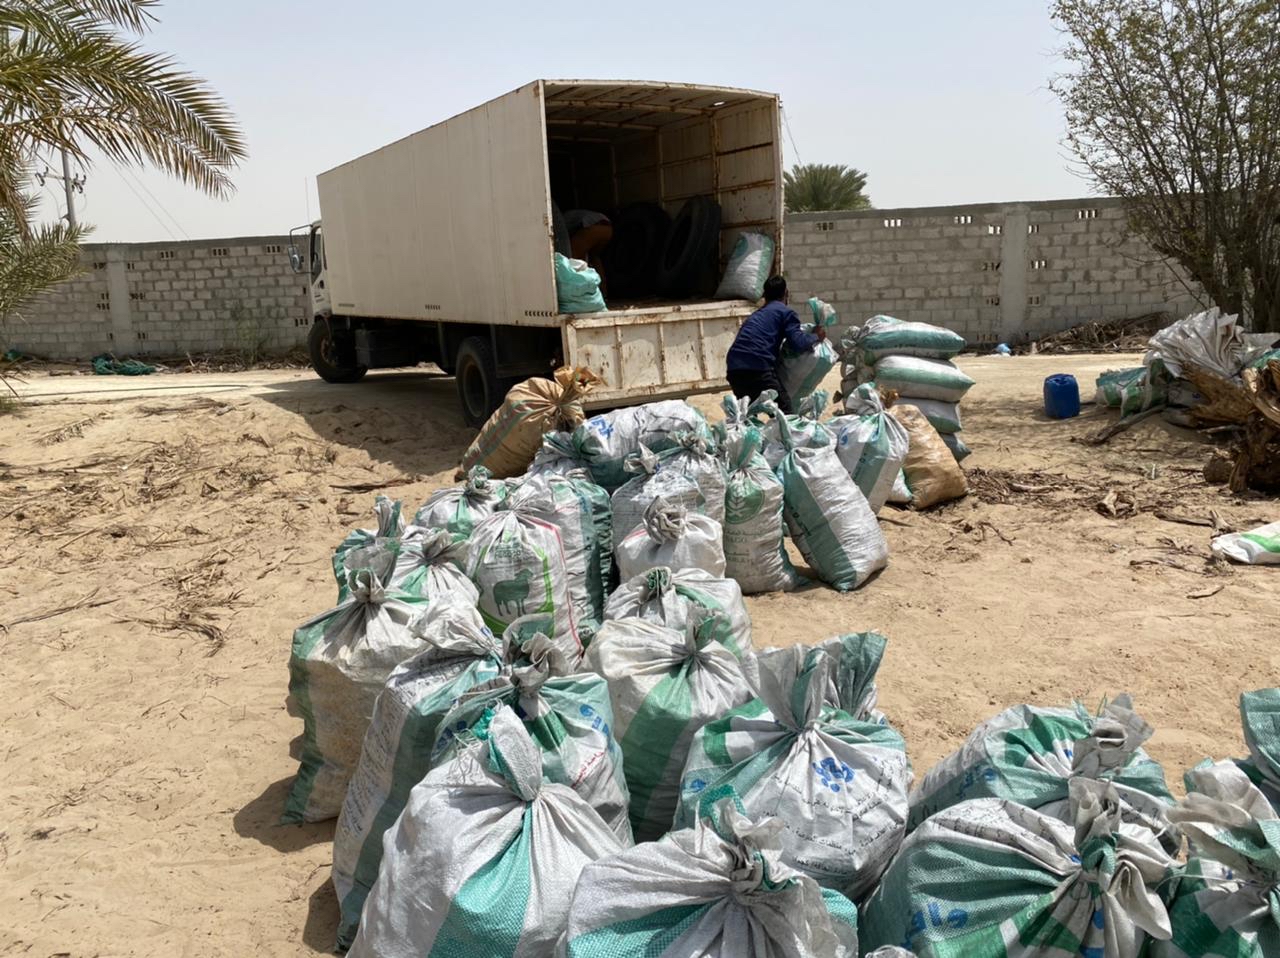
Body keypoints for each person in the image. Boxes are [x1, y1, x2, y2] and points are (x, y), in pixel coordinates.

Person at [724, 275, 824, 414]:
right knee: (784, 412)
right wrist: (816, 336)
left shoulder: (756, 315)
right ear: (786, 293)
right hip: (758, 367)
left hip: (734, 369)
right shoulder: (786, 313)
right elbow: (798, 343)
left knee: (747, 415)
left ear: (765, 295)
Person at [565, 209, 613, 293]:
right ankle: (602, 292)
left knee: (574, 260)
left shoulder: (561, 220)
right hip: (608, 228)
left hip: (593, 228)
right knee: (595, 258)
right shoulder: (575, 214)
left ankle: (583, 292)